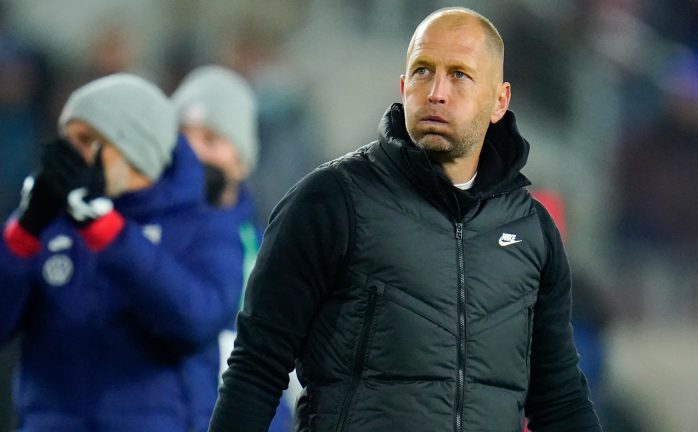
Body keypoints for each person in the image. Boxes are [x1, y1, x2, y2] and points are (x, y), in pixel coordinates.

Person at [209, 7, 601, 432]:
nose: (436, 91)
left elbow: (559, 398)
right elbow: (257, 369)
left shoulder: (531, 229)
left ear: (499, 101)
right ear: (402, 86)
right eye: (422, 71)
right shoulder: (330, 201)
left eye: (459, 75)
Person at [0, 74, 244, 431]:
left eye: (85, 141)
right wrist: (23, 233)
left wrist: (107, 230)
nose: (68, 156)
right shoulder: (46, 218)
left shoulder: (204, 224)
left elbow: (196, 319)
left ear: (133, 148)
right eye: (65, 140)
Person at [172, 65, 294, 432]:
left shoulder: (267, 257)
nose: (192, 153)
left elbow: (274, 379)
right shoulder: (140, 237)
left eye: (210, 140)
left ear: (241, 162)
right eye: (182, 138)